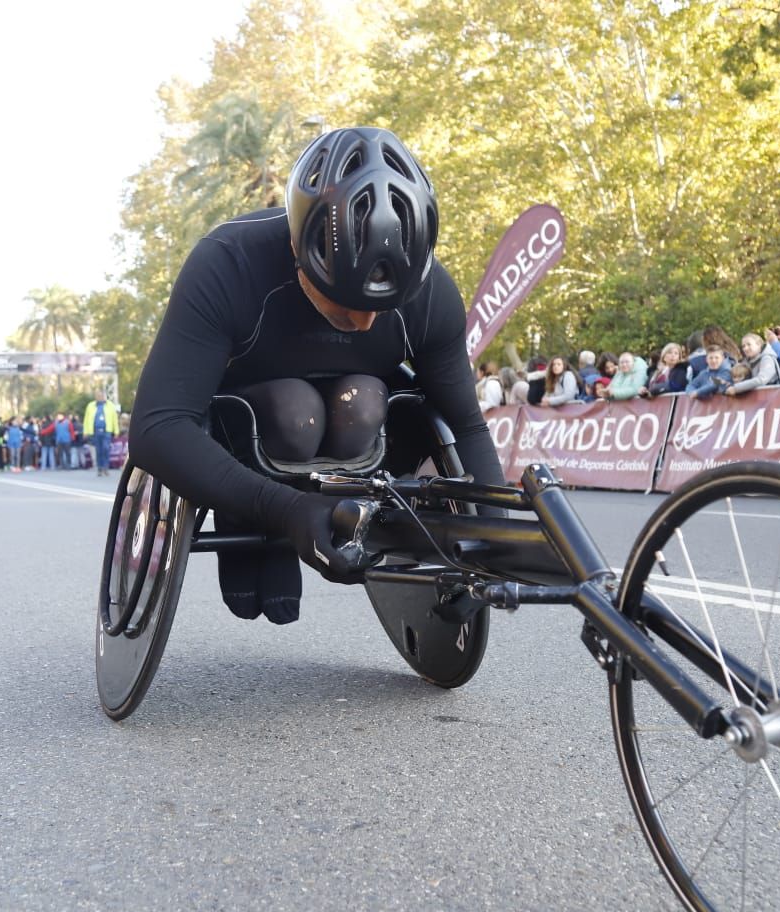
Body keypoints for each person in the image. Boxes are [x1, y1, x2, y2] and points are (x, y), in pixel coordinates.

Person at [127, 126, 505, 625]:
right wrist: (282, 509)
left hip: (364, 426)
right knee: (294, 407)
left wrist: (493, 548)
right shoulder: (227, 263)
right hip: (249, 425)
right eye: (348, 304)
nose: (367, 322)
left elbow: (467, 426)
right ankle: (256, 516)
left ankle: (308, 502)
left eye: (384, 305)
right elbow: (156, 429)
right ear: (299, 250)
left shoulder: (433, 294)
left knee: (367, 398)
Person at [84, 390, 119, 476]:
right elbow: (86, 419)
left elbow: (114, 418)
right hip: (95, 431)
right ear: (96, 397)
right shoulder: (91, 406)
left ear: (104, 396)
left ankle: (105, 467)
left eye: (101, 395)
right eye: (98, 396)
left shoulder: (110, 405)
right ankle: (100, 468)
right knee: (98, 450)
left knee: (106, 448)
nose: (100, 397)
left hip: (106, 431)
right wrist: (85, 431)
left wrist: (116, 430)